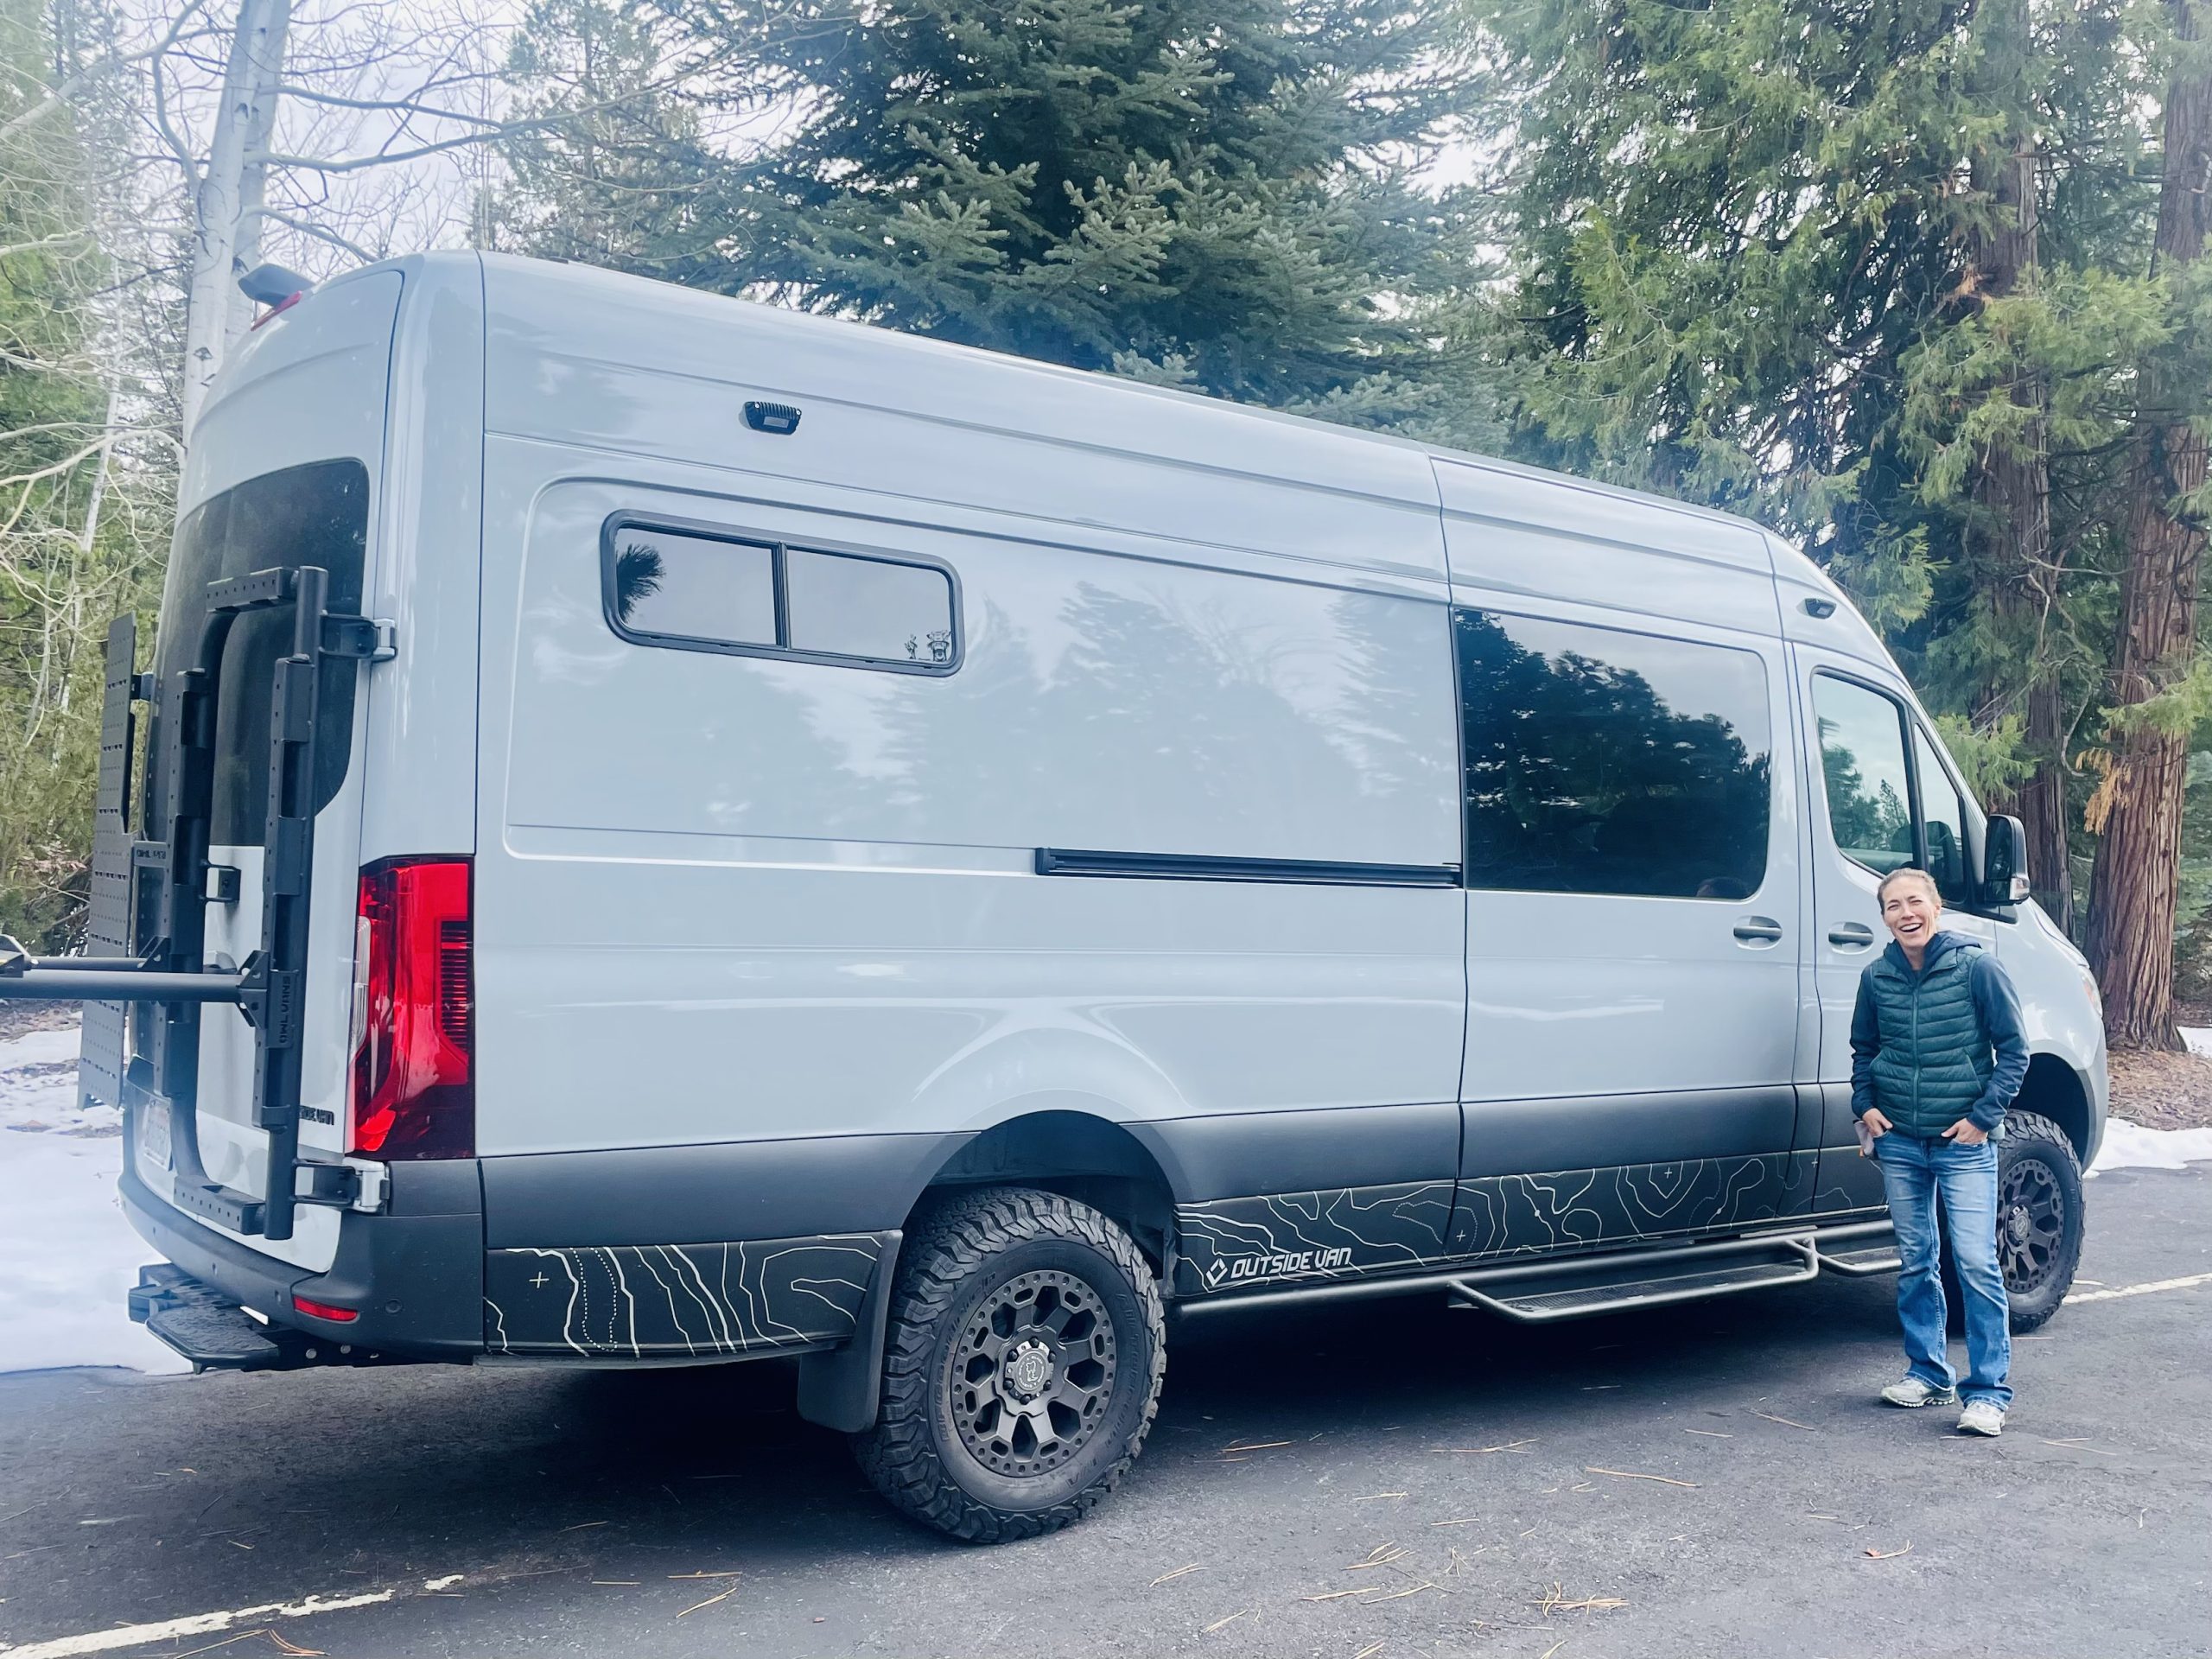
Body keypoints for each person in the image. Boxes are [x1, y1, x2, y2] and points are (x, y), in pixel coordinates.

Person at [1851, 865, 2030, 1437]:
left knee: (1975, 1263)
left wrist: (1982, 1119)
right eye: (1893, 906)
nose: (1906, 914)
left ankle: (1989, 1393)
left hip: (1963, 1144)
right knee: (1916, 1261)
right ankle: (1928, 1374)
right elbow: (1863, 1048)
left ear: (1937, 906)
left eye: (1915, 902)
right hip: (1901, 1142)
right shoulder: (1877, 976)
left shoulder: (1977, 968)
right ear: (1884, 918)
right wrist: (1864, 1105)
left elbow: (2015, 1051)